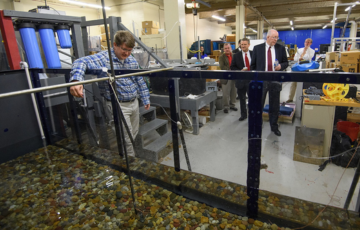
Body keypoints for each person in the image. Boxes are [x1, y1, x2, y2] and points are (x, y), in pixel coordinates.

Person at [69, 30, 150, 157]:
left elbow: (139, 79)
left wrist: (145, 98)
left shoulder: (131, 60)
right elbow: (80, 62)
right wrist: (76, 80)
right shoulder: (104, 58)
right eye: (124, 49)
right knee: (127, 138)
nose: (127, 53)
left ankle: (124, 156)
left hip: (134, 103)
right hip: (118, 105)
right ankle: (131, 165)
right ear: (115, 45)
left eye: (130, 50)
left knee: (132, 134)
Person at [250, 29, 288, 136]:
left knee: (274, 105)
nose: (276, 40)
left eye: (277, 37)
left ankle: (274, 127)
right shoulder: (257, 49)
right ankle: (258, 125)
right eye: (274, 37)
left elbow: (286, 62)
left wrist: (281, 66)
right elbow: (253, 66)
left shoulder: (280, 48)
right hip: (261, 80)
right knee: (259, 104)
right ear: (267, 37)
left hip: (275, 79)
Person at [230, 38, 253, 121]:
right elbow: (232, 67)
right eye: (241, 44)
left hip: (251, 80)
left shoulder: (254, 54)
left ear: (249, 45)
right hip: (241, 81)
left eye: (245, 44)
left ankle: (252, 114)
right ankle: (243, 115)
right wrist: (240, 71)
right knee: (242, 99)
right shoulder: (236, 55)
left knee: (252, 99)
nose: (243, 46)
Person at [286, 38, 315, 103]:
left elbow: (309, 58)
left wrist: (303, 55)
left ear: (311, 43)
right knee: (293, 83)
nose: (307, 43)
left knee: (304, 84)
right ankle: (290, 98)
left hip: (305, 69)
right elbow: (295, 58)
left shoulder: (312, 51)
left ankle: (303, 99)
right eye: (306, 42)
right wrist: (301, 56)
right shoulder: (299, 50)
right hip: (298, 68)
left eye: (308, 42)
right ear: (304, 42)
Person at [219, 43, 238, 113]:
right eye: (225, 48)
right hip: (225, 77)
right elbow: (222, 67)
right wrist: (231, 69)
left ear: (231, 48)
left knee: (234, 92)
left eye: (228, 48)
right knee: (226, 93)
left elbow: (237, 64)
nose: (227, 49)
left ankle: (232, 105)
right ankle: (226, 107)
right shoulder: (221, 57)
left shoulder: (234, 56)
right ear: (224, 49)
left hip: (234, 76)